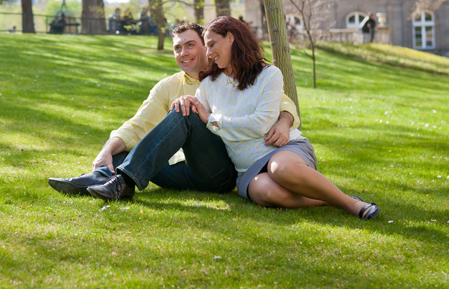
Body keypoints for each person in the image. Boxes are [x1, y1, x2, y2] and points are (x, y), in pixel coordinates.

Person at [161, 16, 380, 220]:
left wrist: (212, 120)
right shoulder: (209, 85)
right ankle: (325, 200)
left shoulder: (269, 75)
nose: (208, 53)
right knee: (265, 192)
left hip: (283, 150)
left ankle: (351, 204)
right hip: (247, 167)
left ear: (231, 38)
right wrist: (187, 102)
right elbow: (200, 124)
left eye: (211, 44)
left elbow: (260, 124)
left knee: (280, 168)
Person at [48, 23, 300, 197]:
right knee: (123, 152)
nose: (183, 53)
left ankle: (121, 183)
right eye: (177, 48)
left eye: (190, 45)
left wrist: (284, 122)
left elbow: (282, 102)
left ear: (207, 46)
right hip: (183, 171)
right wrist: (106, 150)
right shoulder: (168, 85)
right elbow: (138, 124)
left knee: (186, 111)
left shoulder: (230, 74)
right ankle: (101, 177)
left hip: (221, 170)